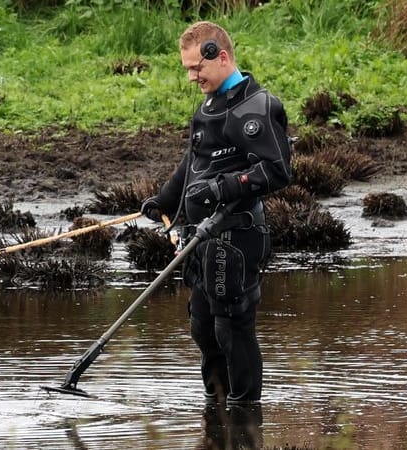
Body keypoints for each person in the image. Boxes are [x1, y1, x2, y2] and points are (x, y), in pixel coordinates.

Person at [141, 21, 292, 410]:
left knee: (232, 327)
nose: (192, 77)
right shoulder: (209, 106)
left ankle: (244, 414)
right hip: (200, 238)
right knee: (203, 327)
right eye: (188, 69)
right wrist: (165, 201)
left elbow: (277, 171)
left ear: (220, 57)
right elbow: (194, 162)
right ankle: (216, 408)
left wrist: (223, 188)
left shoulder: (255, 107)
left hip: (237, 237)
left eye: (197, 68)